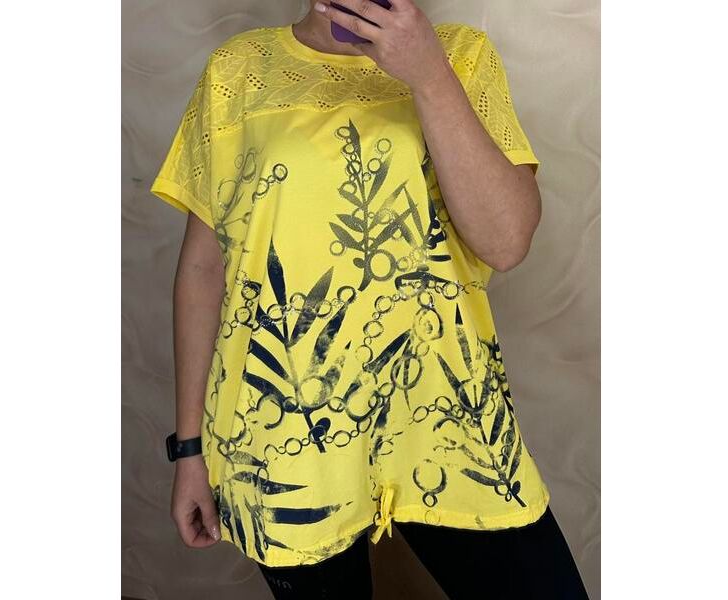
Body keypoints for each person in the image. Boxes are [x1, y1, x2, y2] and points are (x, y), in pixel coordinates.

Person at [149, 1, 590, 598]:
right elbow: (204, 269)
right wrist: (189, 451)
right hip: (284, 437)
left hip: (445, 419)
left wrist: (428, 73)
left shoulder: (461, 56)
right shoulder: (237, 69)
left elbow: (506, 242)